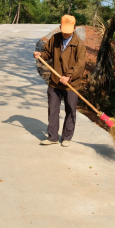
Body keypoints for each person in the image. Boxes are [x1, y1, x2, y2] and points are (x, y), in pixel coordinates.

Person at [33, 15, 86, 147]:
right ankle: (52, 137)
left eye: (69, 30)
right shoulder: (55, 39)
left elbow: (80, 64)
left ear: (74, 28)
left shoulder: (79, 44)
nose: (66, 33)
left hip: (71, 83)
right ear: (60, 27)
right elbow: (47, 53)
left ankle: (67, 137)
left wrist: (68, 76)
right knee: (53, 109)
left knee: (70, 110)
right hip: (55, 82)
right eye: (64, 30)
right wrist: (40, 55)